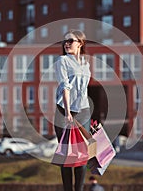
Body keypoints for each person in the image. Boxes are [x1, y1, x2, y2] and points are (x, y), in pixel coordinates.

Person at [54, 29, 91, 191]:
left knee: (83, 156)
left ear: (80, 44)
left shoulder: (85, 63)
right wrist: (68, 112)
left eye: (70, 41)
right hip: (64, 112)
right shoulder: (62, 61)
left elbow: (84, 89)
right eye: (65, 42)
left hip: (84, 111)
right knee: (67, 157)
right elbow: (65, 87)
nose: (66, 44)